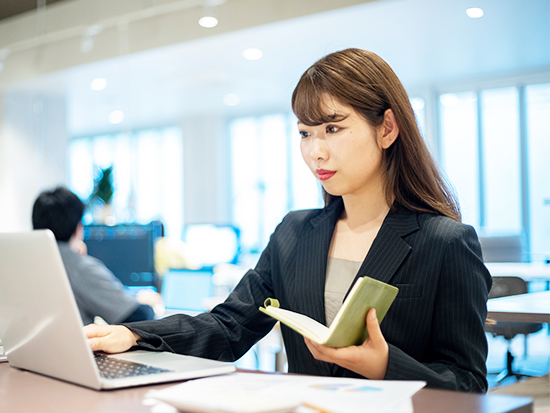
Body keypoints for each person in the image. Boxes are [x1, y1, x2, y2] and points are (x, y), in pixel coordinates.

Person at [84, 49, 491, 393]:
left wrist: (385, 364)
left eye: (333, 128)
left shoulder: (445, 242)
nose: (316, 151)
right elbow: (230, 325)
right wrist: (137, 335)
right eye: (305, 133)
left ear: (386, 128)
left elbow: (468, 383)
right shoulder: (294, 234)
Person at [32, 187, 155, 325]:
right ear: (78, 227)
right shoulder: (80, 267)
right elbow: (138, 316)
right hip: (75, 346)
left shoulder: (27, 262)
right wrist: (143, 302)